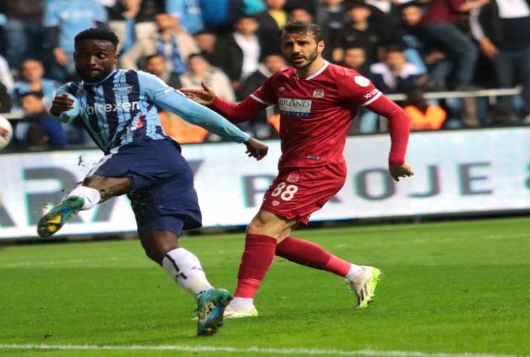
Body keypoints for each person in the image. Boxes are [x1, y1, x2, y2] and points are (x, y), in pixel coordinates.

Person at [36, 28, 268, 337]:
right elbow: (68, 112)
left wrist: (242, 136)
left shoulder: (139, 80)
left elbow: (192, 112)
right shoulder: (72, 90)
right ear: (75, 56)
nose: (91, 61)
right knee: (159, 245)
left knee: (99, 177)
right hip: (161, 170)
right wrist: (59, 110)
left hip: (152, 150)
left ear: (115, 56)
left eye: (100, 55)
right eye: (84, 55)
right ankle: (206, 294)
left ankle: (76, 201)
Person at [181, 21, 414, 318]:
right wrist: (214, 101)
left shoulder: (344, 79)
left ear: (320, 46)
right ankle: (356, 273)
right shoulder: (281, 80)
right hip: (293, 165)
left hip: (319, 167)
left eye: (303, 43)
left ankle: (243, 303)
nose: (296, 49)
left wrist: (396, 158)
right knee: (271, 240)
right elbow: (241, 113)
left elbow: (397, 115)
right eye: (289, 44)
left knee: (261, 227)